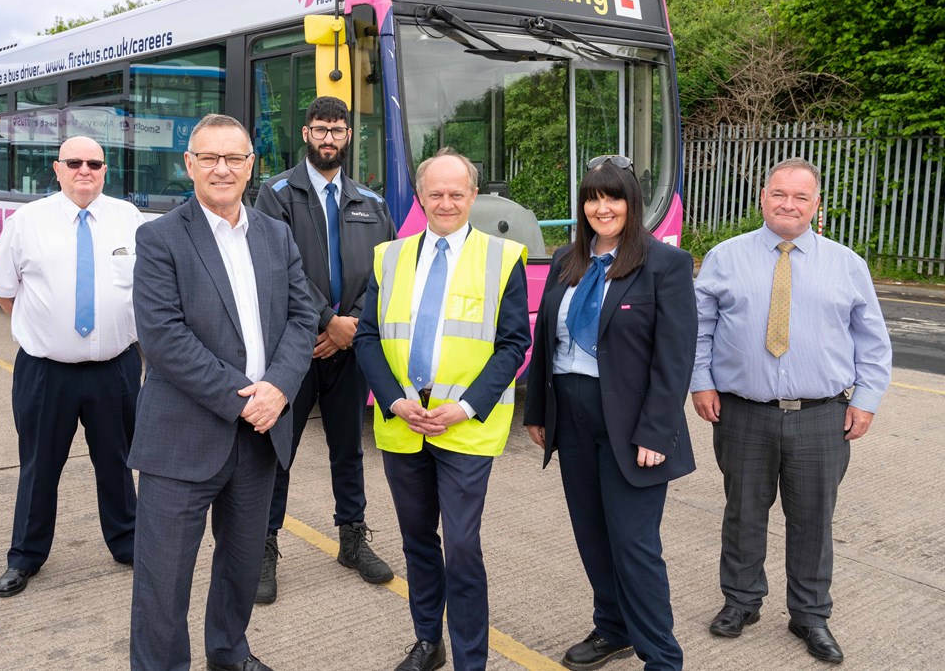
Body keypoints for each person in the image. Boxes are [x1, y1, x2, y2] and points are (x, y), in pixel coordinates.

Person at [128, 114, 317, 671]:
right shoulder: (159, 237)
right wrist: (247, 397)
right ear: (189, 165)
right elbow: (163, 339)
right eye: (209, 158)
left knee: (239, 565)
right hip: (184, 439)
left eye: (234, 158)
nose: (222, 168)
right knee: (163, 580)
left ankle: (229, 652)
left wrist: (279, 389)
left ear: (250, 166)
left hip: (259, 437)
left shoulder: (274, 234)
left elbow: (303, 318)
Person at [691, 158, 891, 665]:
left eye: (801, 197)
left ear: (816, 204)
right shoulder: (724, 257)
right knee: (743, 513)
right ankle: (740, 602)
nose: (789, 204)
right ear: (762, 197)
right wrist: (700, 383)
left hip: (822, 415)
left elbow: (872, 340)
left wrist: (865, 400)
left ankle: (809, 613)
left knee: (813, 520)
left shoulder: (847, 264)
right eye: (780, 193)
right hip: (742, 412)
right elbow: (699, 328)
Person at [354, 149, 531, 671]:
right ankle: (428, 641)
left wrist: (467, 406)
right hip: (404, 424)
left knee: (461, 545)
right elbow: (366, 338)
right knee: (416, 541)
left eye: (457, 193)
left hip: (464, 430)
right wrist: (394, 401)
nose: (446, 202)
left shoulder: (503, 258)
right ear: (421, 196)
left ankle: (470, 660)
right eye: (436, 193)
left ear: (474, 197)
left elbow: (513, 345)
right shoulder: (389, 256)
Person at [523, 155, 697, 671]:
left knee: (634, 545)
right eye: (593, 197)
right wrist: (538, 411)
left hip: (632, 427)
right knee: (592, 535)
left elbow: (675, 357)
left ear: (631, 203)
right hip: (572, 418)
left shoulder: (665, 265)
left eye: (613, 196)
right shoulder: (565, 260)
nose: (603, 207)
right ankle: (613, 628)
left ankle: (662, 658)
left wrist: (656, 431)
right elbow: (544, 342)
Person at [0, 135, 143, 597]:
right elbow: (2, 288)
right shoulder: (27, 221)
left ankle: (127, 542)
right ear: (56, 169)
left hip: (116, 368)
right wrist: (42, 328)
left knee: (117, 461)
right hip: (46, 371)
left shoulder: (127, 219)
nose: (84, 170)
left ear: (105, 170)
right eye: (74, 162)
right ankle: (26, 557)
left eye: (94, 163)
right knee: (39, 465)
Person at [252, 96, 396, 603]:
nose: (329, 138)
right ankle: (263, 548)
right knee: (279, 452)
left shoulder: (371, 203)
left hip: (350, 347)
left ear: (349, 136)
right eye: (320, 129)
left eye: (337, 129)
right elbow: (278, 269)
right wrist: (325, 322)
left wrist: (352, 325)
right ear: (305, 133)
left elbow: (385, 271)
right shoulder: (274, 196)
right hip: (296, 347)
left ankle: (352, 538)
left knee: (347, 449)